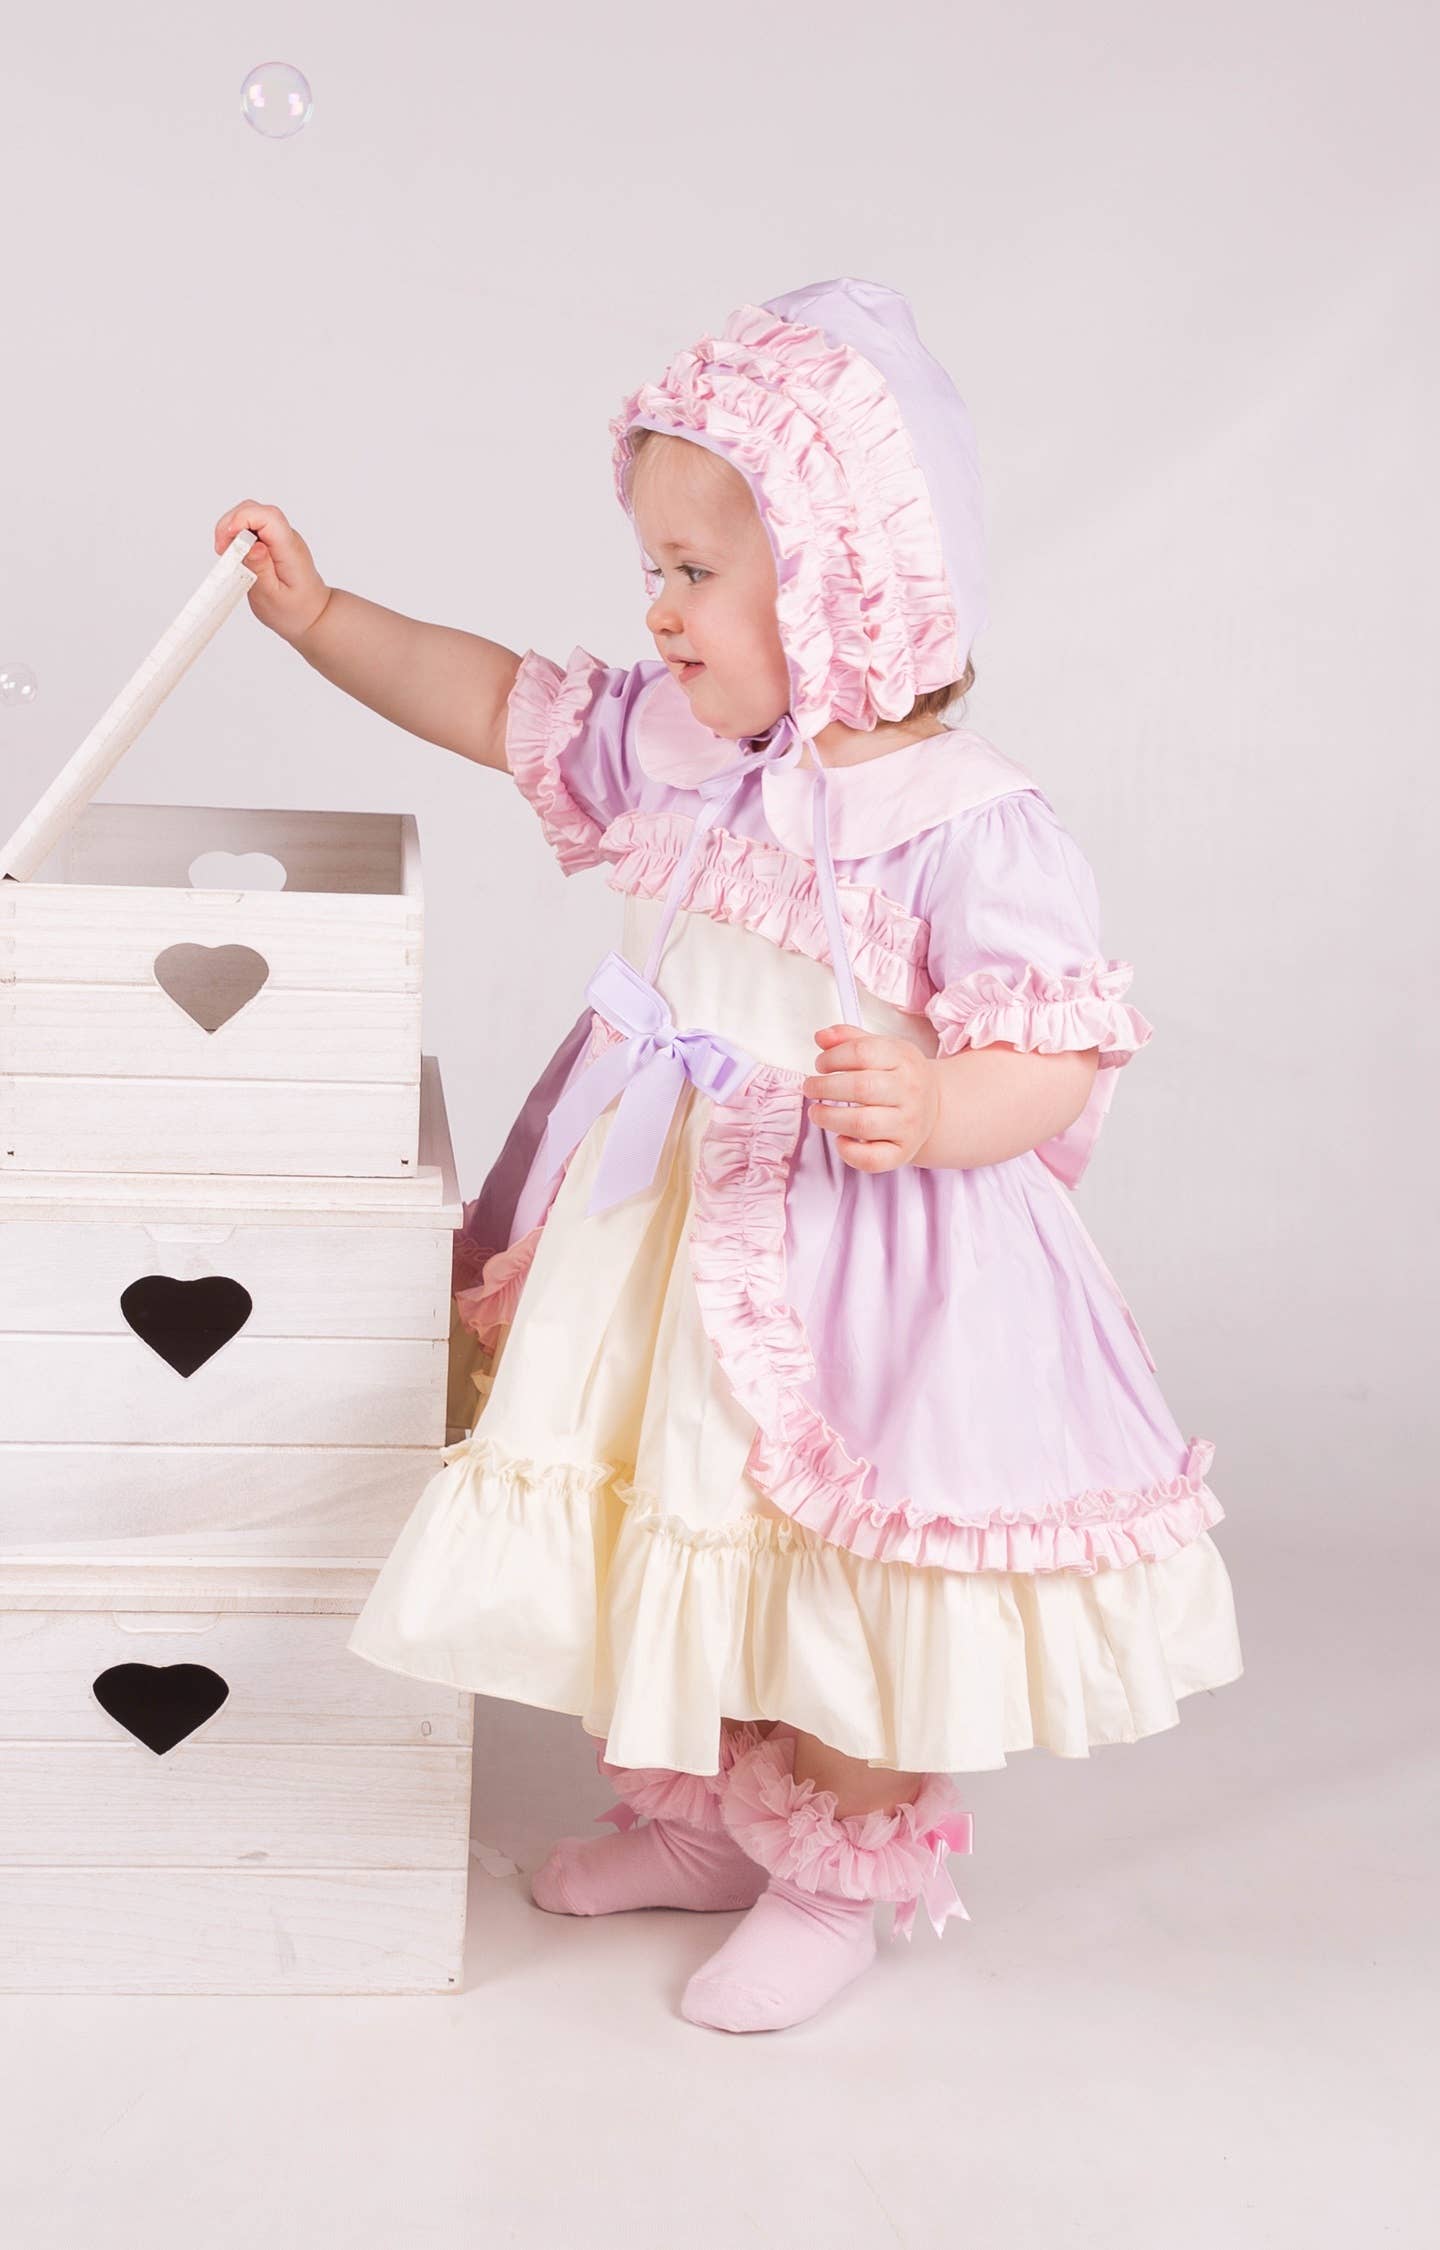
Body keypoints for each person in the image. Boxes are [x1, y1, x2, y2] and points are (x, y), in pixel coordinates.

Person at [212, 275, 1243, 2035]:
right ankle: (697, 1816)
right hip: (668, 1216)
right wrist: (321, 620)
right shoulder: (682, 752)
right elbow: (484, 697)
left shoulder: (963, 821)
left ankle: (837, 1865)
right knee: (666, 1506)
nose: (660, 608)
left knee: (839, 1547)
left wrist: (938, 1101)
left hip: (868, 1251)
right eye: (656, 568)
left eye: (700, 570)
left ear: (842, 581)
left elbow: (1057, 1045)